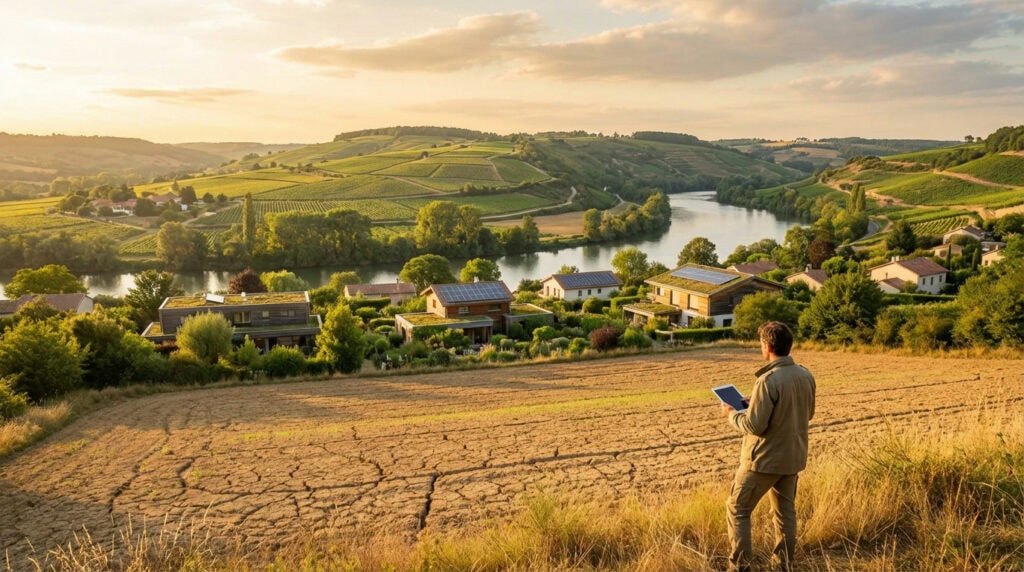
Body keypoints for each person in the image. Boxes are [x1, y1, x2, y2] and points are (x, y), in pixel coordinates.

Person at [721, 321, 816, 572]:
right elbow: (807, 413)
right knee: (785, 514)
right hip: (792, 459)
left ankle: (739, 567)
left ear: (767, 345)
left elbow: (754, 425)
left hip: (763, 461)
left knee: (737, 509)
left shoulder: (767, 380)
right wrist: (756, 402)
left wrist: (732, 413)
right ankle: (783, 565)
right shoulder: (805, 375)